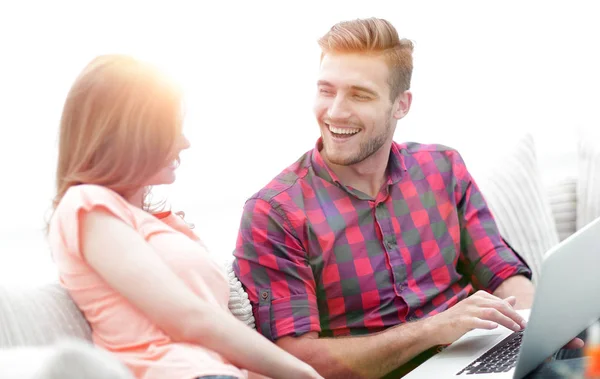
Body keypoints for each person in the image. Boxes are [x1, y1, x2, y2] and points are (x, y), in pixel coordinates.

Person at [233, 18, 584, 378]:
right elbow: (294, 359)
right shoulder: (275, 213)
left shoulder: (443, 168)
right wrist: (431, 329)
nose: (335, 111)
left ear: (401, 105)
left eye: (359, 94)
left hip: (481, 358)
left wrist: (537, 332)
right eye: (326, 90)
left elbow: (500, 270)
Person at [47, 55, 323, 379]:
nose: (185, 142)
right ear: (132, 135)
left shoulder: (157, 223)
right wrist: (303, 374)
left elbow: (212, 342)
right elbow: (189, 319)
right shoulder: (87, 204)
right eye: (170, 129)